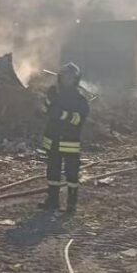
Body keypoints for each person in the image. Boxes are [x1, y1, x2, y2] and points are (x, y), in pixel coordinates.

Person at [38, 63, 90, 213]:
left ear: (76, 80)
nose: (67, 80)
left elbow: (78, 119)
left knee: (71, 175)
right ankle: (52, 201)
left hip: (70, 143)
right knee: (52, 173)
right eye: (64, 77)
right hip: (53, 141)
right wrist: (49, 99)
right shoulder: (56, 94)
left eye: (70, 78)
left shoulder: (80, 99)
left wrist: (61, 114)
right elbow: (47, 110)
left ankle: (71, 204)